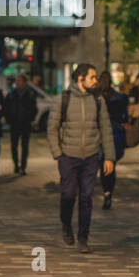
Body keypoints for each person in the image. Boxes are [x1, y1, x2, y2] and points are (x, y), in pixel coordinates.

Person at [48, 63, 116, 252]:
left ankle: (83, 238)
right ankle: (66, 224)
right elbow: (52, 128)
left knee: (86, 197)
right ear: (80, 78)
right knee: (68, 194)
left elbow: (106, 129)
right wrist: (58, 154)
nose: (95, 81)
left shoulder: (98, 100)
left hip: (91, 156)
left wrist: (109, 157)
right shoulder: (64, 99)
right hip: (68, 156)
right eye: (92, 77)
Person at [97, 71, 129, 210]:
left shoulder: (95, 98)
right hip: (115, 133)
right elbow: (125, 117)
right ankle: (109, 192)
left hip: (100, 135)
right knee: (111, 165)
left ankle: (106, 191)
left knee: (102, 165)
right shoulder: (120, 98)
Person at [3, 73, 38, 175]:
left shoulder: (30, 94)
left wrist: (30, 118)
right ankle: (16, 165)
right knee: (14, 146)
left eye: (19, 81)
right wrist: (8, 119)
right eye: (16, 81)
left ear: (24, 82)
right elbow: (6, 108)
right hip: (14, 123)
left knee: (24, 146)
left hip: (25, 123)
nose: (17, 82)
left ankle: (23, 166)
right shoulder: (12, 94)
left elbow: (34, 109)